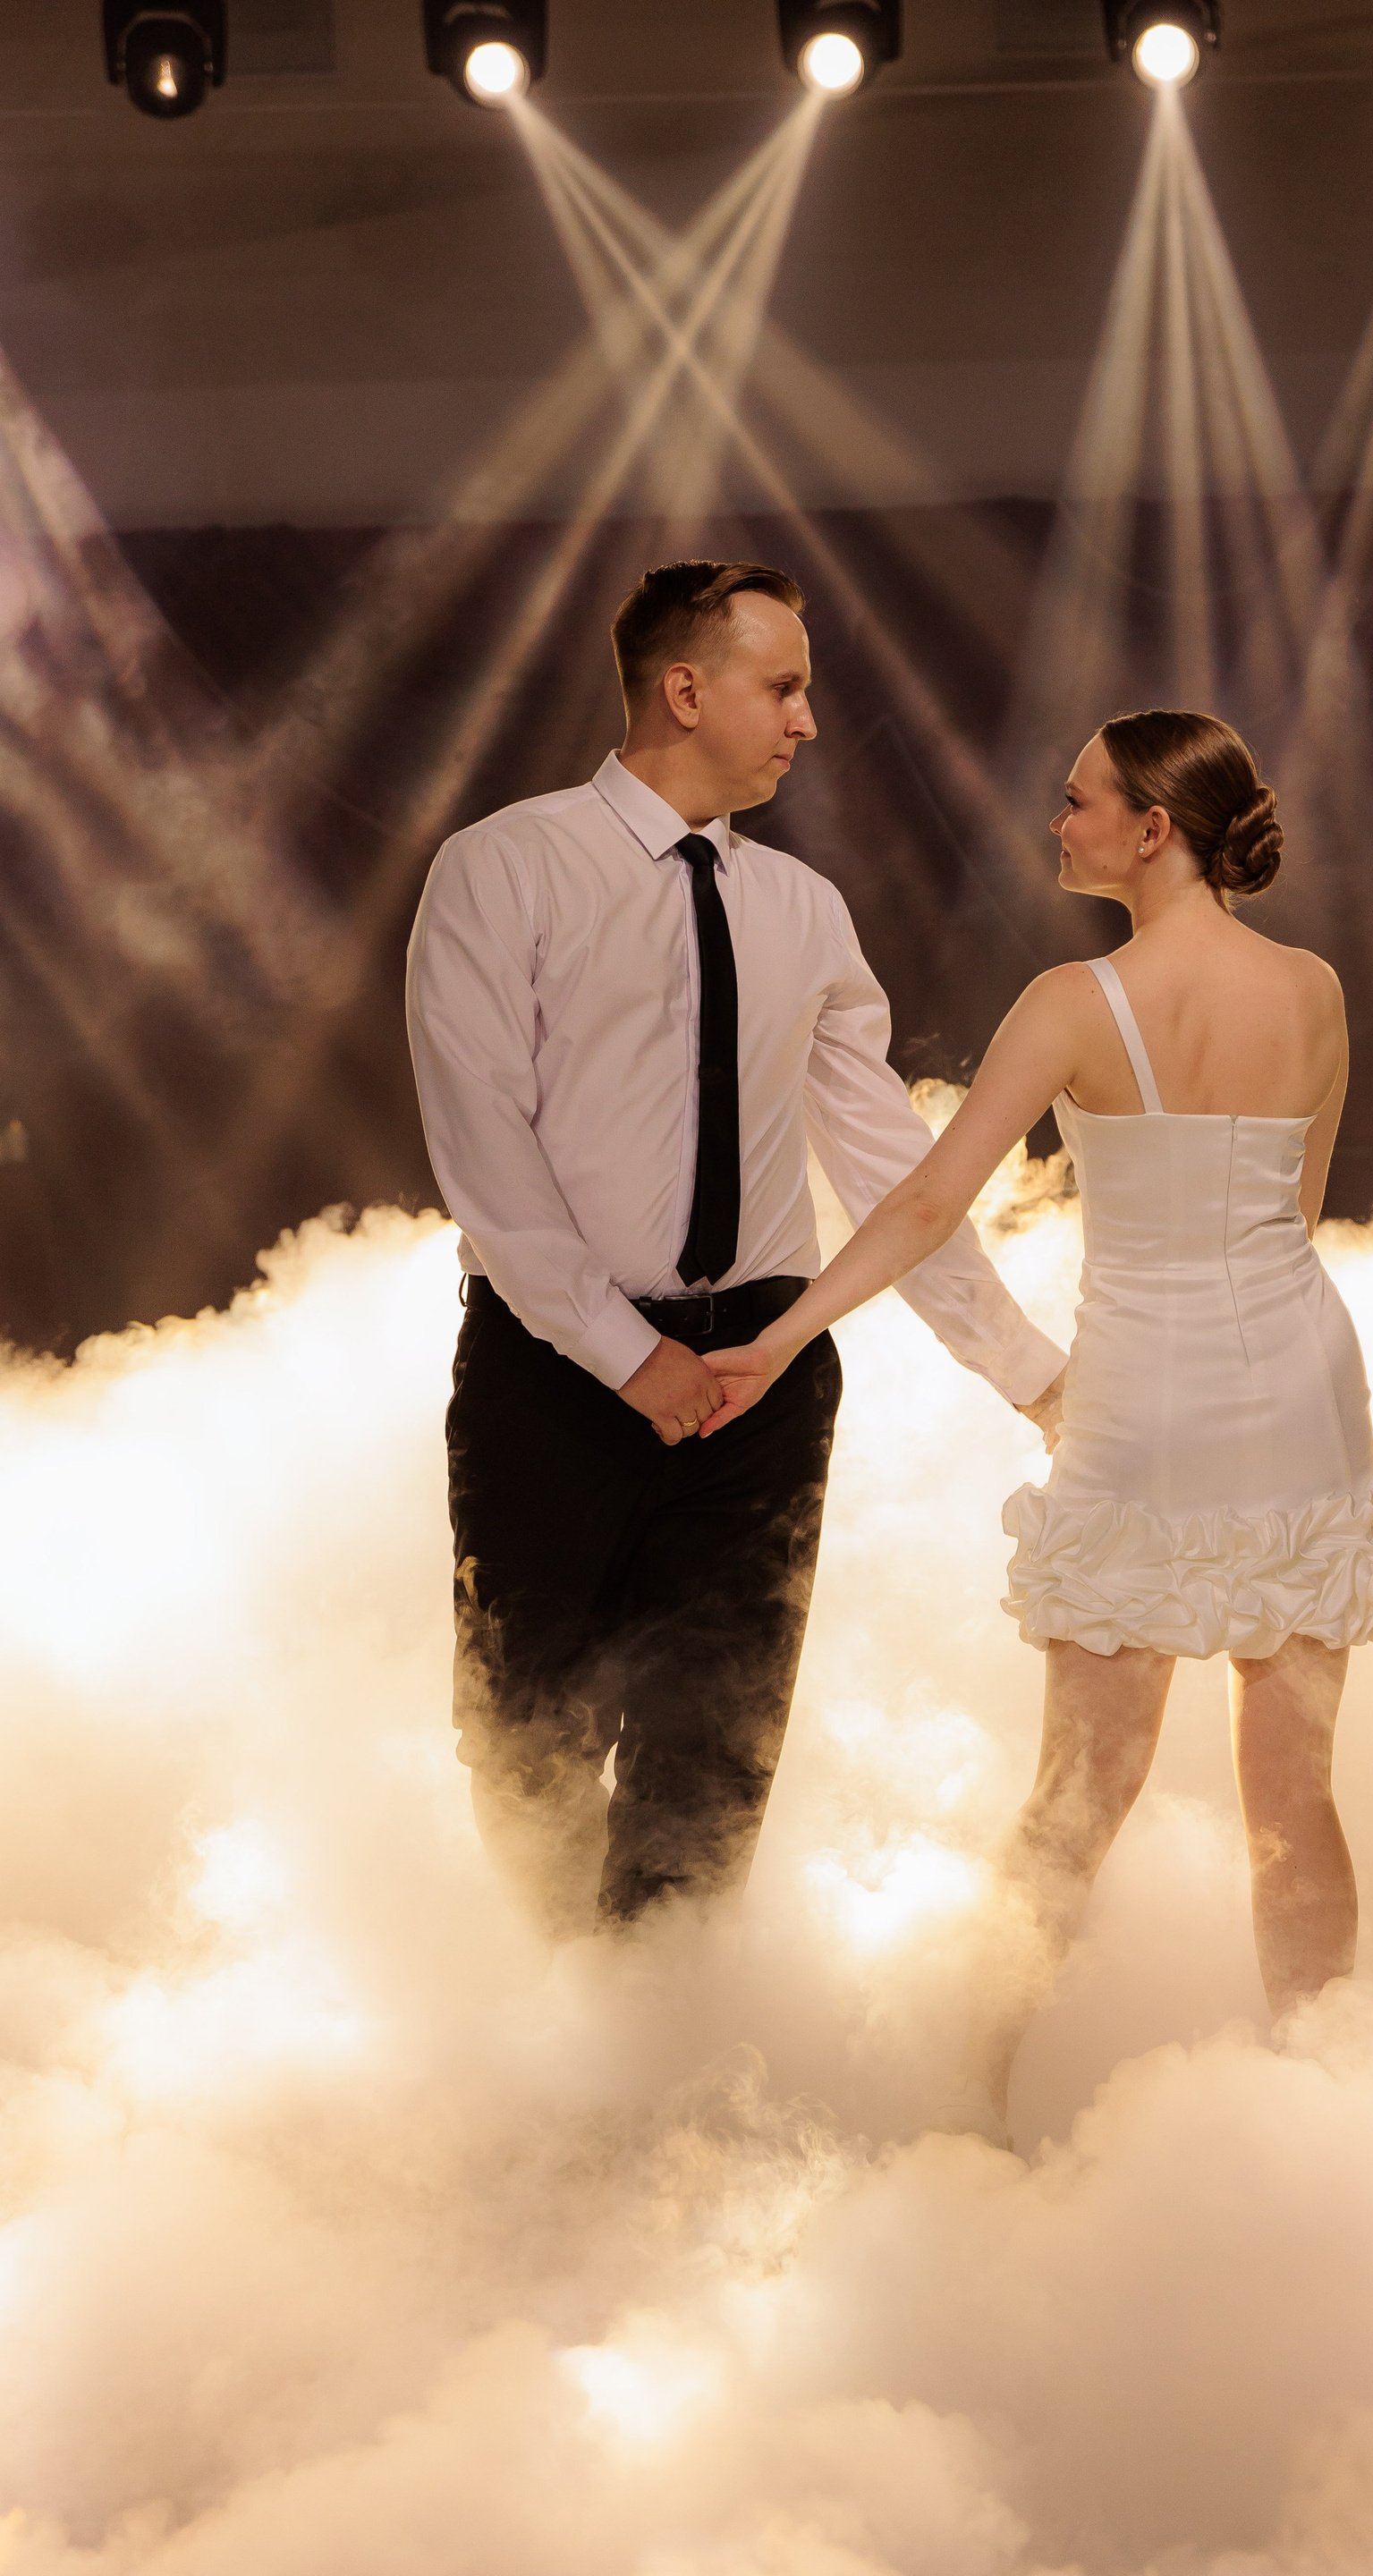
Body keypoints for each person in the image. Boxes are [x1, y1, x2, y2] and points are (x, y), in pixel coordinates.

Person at [701, 708, 1373, 2142]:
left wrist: (777, 1338)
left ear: (1155, 830)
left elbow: (923, 1203)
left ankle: (969, 2117)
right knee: (1295, 1797)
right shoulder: (1312, 989)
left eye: (1081, 800)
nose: (1059, 818)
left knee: (1076, 1797)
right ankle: (1331, 2117)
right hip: (1300, 1382)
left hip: (1141, 1397)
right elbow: (1295, 1215)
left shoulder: (1073, 1004)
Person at [403, 560, 1066, 1938]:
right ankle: (550, 2028)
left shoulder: (803, 908)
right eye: (785, 688)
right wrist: (624, 1353)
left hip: (761, 1380)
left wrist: (1030, 1373)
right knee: (526, 1744)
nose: (807, 721)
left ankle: (659, 2050)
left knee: (713, 1759)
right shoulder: (504, 867)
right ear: (686, 690)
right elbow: (484, 1150)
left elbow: (895, 1170)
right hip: (552, 1376)